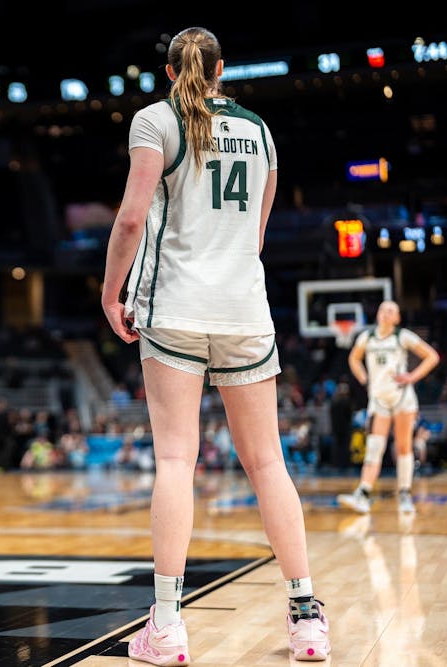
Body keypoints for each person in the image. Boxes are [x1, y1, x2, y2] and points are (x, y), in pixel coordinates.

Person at [101, 26, 329, 664]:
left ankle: (168, 625)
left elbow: (129, 217)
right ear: (221, 70)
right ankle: (307, 619)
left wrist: (109, 291)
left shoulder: (155, 122)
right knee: (268, 465)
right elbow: (256, 230)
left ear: (170, 74)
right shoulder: (259, 131)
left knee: (176, 461)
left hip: (174, 307)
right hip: (243, 310)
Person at [337, 301, 440, 514]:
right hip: (379, 400)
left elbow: (432, 356)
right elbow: (353, 359)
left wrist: (412, 376)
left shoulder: (402, 336)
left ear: (397, 318)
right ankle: (363, 494)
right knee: (374, 449)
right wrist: (365, 380)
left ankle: (404, 494)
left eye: (391, 311)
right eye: (383, 309)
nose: (386, 313)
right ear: (377, 314)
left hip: (402, 399)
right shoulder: (367, 337)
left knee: (404, 447)